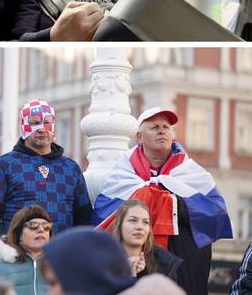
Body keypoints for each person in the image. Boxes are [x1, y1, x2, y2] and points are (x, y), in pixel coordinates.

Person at [94, 106, 232, 295]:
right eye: (154, 127)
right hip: (136, 268)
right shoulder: (122, 175)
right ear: (140, 138)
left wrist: (173, 202)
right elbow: (103, 222)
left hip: (184, 266)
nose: (162, 130)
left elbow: (215, 216)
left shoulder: (192, 173)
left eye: (166, 127)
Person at [0, 99, 91, 265]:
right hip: (19, 260)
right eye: (34, 122)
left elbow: (84, 216)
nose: (41, 128)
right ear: (23, 125)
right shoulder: (3, 165)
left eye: (47, 122)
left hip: (61, 260)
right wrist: (7, 250)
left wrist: (76, 250)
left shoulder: (71, 168)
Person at [0, 205, 52, 295]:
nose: (41, 229)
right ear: (18, 233)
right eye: (33, 225)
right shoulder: (1, 265)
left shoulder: (59, 264)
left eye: (46, 226)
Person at [111, 200, 187, 288]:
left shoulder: (165, 263)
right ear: (119, 225)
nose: (140, 227)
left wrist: (143, 275)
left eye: (145, 222)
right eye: (133, 220)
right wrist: (127, 275)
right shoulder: (102, 261)